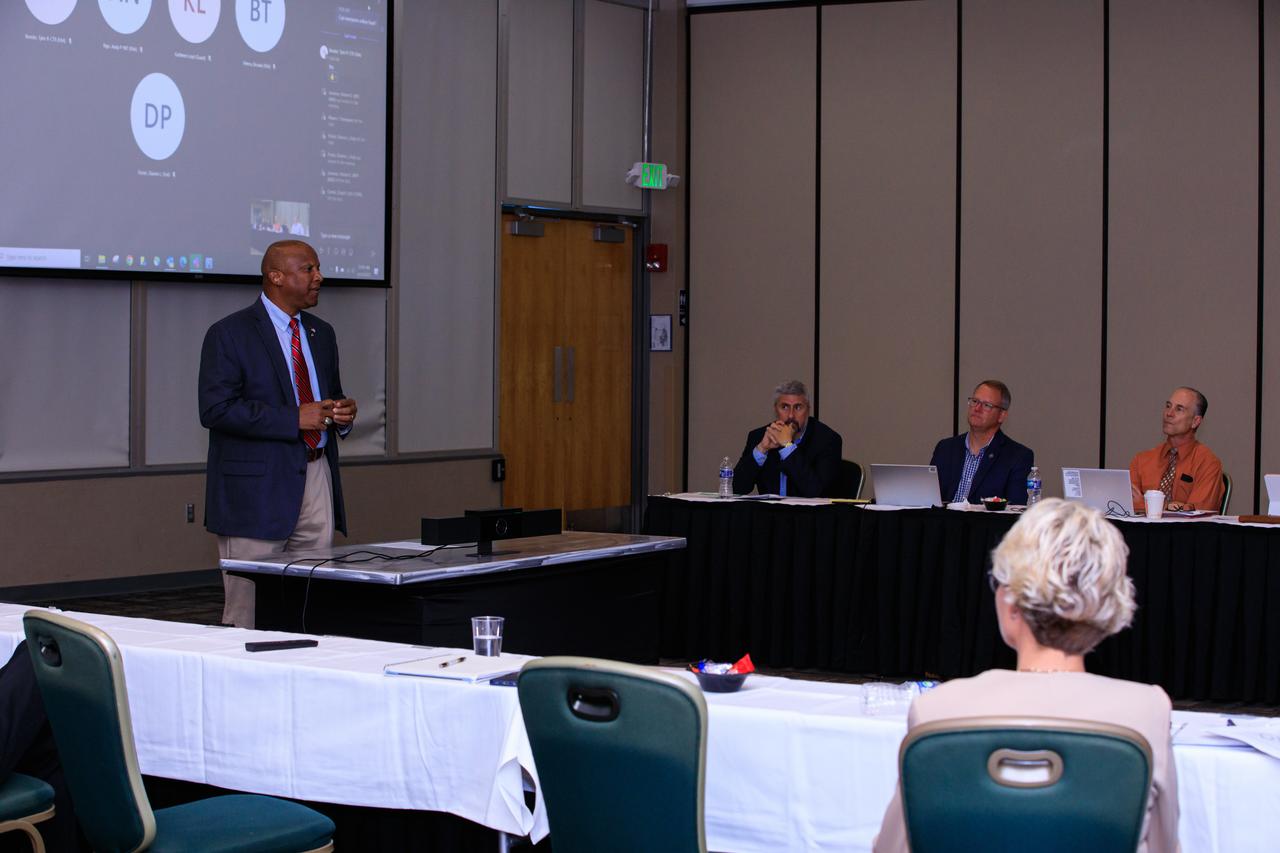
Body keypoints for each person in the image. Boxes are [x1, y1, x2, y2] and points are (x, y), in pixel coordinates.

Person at [874, 499, 1179, 852]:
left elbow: (894, 847)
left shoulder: (937, 710)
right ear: (1104, 606)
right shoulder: (1148, 710)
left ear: (1010, 601)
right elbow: (1163, 845)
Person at [198, 240, 357, 628]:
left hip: (315, 475)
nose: (319, 277)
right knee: (249, 609)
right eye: (308, 269)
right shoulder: (229, 334)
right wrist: (293, 420)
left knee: (310, 600)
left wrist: (342, 413)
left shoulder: (322, 333)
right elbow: (216, 410)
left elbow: (326, 396)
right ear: (276, 276)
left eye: (317, 268)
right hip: (256, 489)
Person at [930, 380, 1034, 504]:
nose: (977, 408)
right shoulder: (945, 448)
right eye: (975, 401)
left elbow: (1014, 510)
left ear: (1001, 415)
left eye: (986, 405)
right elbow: (929, 499)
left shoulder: (1018, 457)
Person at [732, 380, 842, 498]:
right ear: (775, 410)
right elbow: (737, 488)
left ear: (808, 410)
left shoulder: (828, 440)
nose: (791, 415)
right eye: (784, 407)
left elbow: (817, 493)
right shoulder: (758, 437)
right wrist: (761, 449)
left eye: (798, 407)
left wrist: (787, 447)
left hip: (808, 515)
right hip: (768, 514)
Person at [1129, 387, 1224, 513]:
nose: (1169, 413)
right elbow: (1124, 504)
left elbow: (1199, 511)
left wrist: (1146, 504)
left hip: (1186, 532)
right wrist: (1167, 506)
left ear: (1195, 421)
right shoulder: (1141, 460)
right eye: (1168, 406)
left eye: (1179, 409)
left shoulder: (1208, 463)